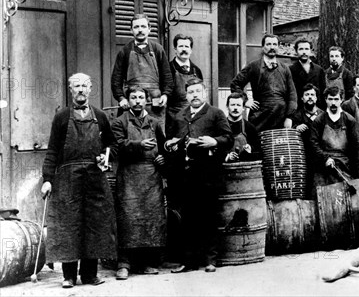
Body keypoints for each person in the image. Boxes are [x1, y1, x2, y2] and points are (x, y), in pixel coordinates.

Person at [41, 73, 117, 288]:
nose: (81, 90)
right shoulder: (62, 117)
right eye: (77, 86)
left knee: (95, 224)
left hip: (95, 176)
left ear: (91, 88)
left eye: (85, 86)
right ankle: (69, 276)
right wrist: (47, 179)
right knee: (68, 225)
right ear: (70, 89)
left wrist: (106, 155)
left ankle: (90, 275)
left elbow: (112, 144)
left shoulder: (101, 116)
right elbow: (53, 150)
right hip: (68, 178)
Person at [169, 78, 233, 273]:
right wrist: (175, 144)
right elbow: (174, 141)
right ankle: (188, 262)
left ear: (204, 93)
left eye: (198, 91)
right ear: (186, 95)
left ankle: (211, 260)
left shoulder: (215, 113)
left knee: (209, 217)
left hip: (208, 175)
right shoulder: (180, 116)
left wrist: (214, 141)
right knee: (187, 219)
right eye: (191, 92)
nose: (194, 95)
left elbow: (229, 138)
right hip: (187, 175)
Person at [112, 86, 168, 280]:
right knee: (127, 218)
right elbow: (117, 146)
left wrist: (162, 158)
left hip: (151, 176)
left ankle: (146, 262)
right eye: (133, 97)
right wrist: (138, 145)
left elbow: (163, 146)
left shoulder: (154, 122)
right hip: (128, 176)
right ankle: (124, 263)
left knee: (150, 217)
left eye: (141, 97)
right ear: (128, 100)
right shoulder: (119, 122)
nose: (137, 101)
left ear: (146, 101)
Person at [111, 14, 174, 131]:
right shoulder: (125, 51)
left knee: (156, 136)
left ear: (149, 29)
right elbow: (116, 79)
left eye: (143, 26)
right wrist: (121, 98)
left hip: (155, 104)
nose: (140, 30)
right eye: (136, 27)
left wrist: (165, 95)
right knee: (131, 135)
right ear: (131, 30)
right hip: (132, 101)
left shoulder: (158, 49)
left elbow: (167, 77)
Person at [230, 34, 297, 132]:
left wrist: (289, 117)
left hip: (280, 116)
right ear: (263, 47)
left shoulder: (285, 68)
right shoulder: (254, 66)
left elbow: (292, 94)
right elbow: (235, 84)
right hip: (260, 116)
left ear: (278, 47)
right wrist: (245, 100)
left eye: (275, 44)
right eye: (268, 44)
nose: (272, 47)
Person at [308, 86, 359, 187]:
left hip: (345, 166)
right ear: (325, 100)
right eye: (330, 99)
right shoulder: (319, 121)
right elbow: (313, 144)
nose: (333, 103)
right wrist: (325, 158)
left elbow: (358, 144)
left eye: (336, 99)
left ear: (341, 100)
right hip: (324, 167)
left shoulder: (349, 120)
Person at [291, 83, 324, 195]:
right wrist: (296, 128)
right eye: (307, 94)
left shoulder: (323, 115)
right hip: (303, 157)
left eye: (312, 95)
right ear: (302, 98)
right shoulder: (297, 115)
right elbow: (290, 135)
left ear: (316, 98)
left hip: (320, 157)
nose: (309, 97)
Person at [167, 34, 203, 136]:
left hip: (193, 117)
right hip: (173, 118)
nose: (184, 49)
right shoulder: (167, 69)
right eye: (181, 46)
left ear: (191, 50)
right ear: (175, 49)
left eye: (187, 47)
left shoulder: (197, 70)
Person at [288, 37, 326, 109]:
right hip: (298, 110)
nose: (304, 52)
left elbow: (323, 92)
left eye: (306, 49)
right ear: (296, 51)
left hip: (316, 109)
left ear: (311, 50)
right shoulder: (290, 70)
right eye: (301, 49)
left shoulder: (319, 70)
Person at [224, 92, 260, 162]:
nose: (235, 108)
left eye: (238, 105)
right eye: (232, 105)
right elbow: (215, 152)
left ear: (243, 108)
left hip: (245, 170)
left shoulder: (250, 127)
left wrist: (250, 150)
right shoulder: (220, 126)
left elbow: (259, 153)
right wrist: (227, 156)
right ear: (227, 107)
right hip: (224, 170)